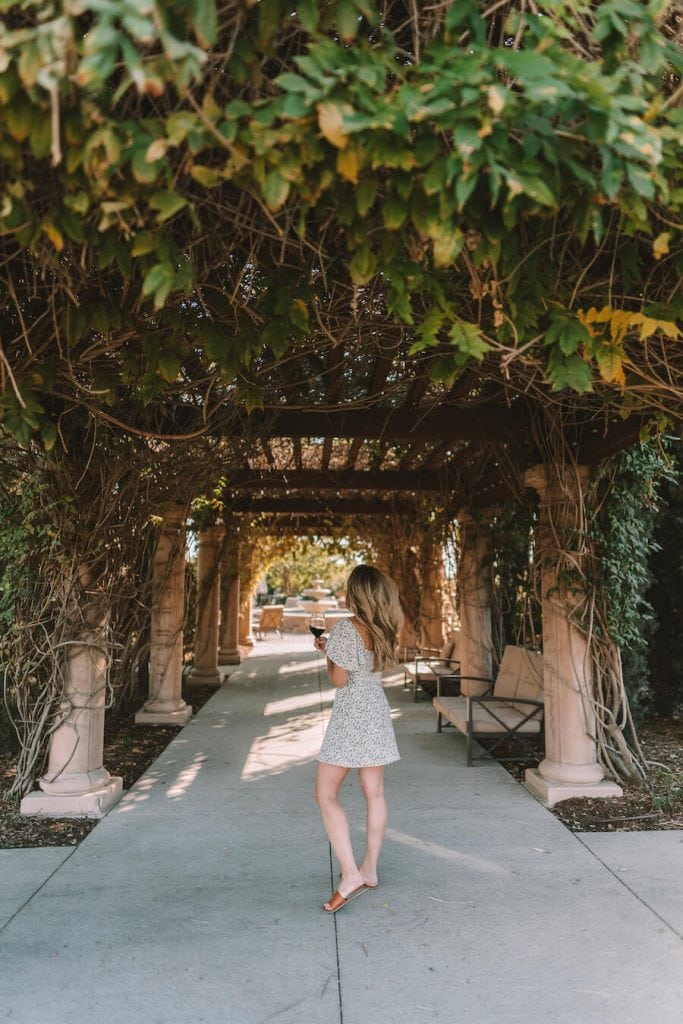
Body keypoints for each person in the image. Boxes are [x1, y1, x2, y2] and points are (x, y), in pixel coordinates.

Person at [313, 563, 403, 913]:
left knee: (325, 793)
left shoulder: (346, 629)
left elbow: (338, 680)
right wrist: (332, 650)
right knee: (375, 793)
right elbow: (363, 666)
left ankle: (350, 873)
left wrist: (329, 656)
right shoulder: (384, 627)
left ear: (356, 593)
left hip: (352, 713)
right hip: (376, 710)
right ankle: (370, 868)